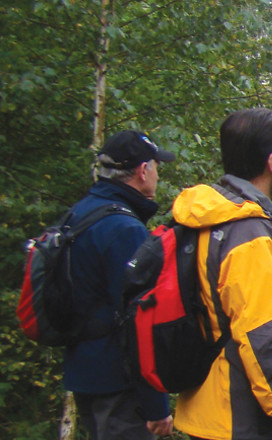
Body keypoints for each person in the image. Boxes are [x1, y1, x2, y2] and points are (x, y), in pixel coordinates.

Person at [171, 108, 272, 440]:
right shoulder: (250, 234)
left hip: (207, 411)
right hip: (244, 419)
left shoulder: (205, 221)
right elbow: (265, 332)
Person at [65, 130, 175, 438]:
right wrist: (156, 403)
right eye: (156, 167)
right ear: (143, 171)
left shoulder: (79, 213)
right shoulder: (124, 230)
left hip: (83, 372)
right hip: (119, 385)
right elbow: (138, 319)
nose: (157, 175)